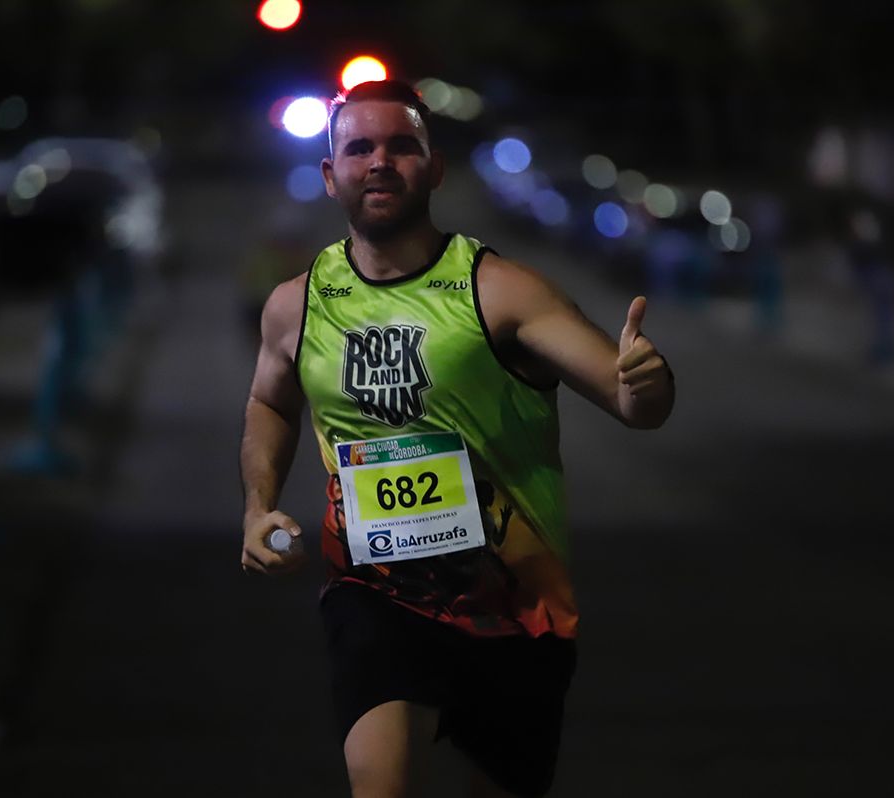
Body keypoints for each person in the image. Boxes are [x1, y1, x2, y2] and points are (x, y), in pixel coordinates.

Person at [239, 80, 675, 798]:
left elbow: (632, 401)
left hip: (513, 606)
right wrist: (258, 505)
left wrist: (645, 382)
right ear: (330, 175)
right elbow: (268, 401)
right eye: (359, 148)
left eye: (401, 146)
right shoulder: (296, 304)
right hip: (374, 588)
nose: (380, 161)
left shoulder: (502, 291)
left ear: (434, 168)